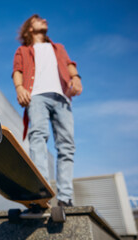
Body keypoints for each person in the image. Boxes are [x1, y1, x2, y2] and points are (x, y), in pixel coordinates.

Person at [12, 14, 83, 207]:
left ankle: (65, 198)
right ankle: (41, 192)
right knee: (38, 138)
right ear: (29, 29)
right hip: (37, 97)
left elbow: (69, 65)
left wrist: (76, 77)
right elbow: (17, 70)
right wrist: (19, 88)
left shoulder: (58, 47)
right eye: (38, 19)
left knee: (67, 145)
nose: (45, 20)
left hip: (62, 98)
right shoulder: (23, 50)